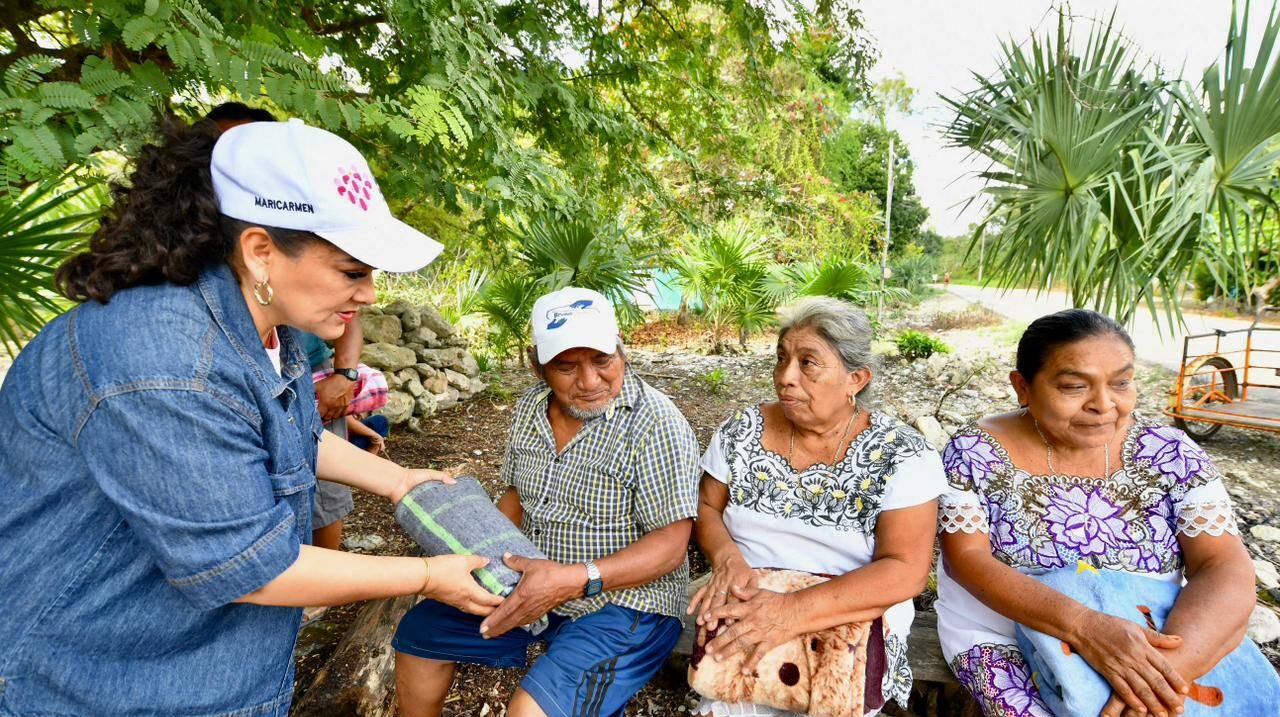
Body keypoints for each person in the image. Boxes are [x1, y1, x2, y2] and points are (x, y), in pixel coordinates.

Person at [0, 117, 502, 717]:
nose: (369, 294)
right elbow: (247, 567)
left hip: (197, 664)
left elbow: (285, 429)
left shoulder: (262, 315)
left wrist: (397, 481)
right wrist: (426, 574)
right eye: (352, 271)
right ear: (260, 250)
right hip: (96, 677)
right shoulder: (165, 359)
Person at [393, 287, 702, 717]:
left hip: (628, 603)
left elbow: (671, 546)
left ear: (622, 350)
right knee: (419, 637)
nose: (591, 381)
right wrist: (483, 565)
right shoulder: (530, 408)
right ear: (536, 365)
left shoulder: (656, 423)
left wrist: (575, 579)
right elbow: (516, 498)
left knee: (531, 711)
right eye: (566, 367)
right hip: (533, 582)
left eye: (602, 360)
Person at [934, 309, 1255, 717]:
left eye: (1121, 382)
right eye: (1073, 386)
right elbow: (967, 559)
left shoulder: (1171, 453)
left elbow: (1223, 564)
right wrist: (1084, 628)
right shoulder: (976, 452)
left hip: (1156, 632)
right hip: (1006, 633)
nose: (1104, 405)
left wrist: (1159, 678)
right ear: (1023, 387)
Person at [689, 296, 946, 717]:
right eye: (781, 358)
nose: (785, 377)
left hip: (850, 609)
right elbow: (707, 507)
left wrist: (790, 612)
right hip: (751, 597)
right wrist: (726, 557)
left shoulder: (902, 454)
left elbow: (906, 570)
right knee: (734, 696)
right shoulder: (741, 431)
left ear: (856, 379)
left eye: (808, 363)